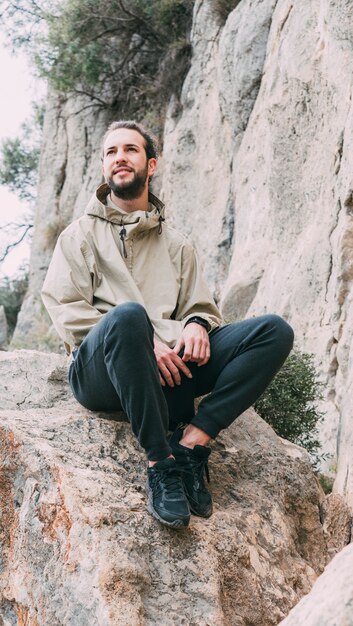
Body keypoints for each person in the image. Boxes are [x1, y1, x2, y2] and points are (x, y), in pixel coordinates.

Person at [41, 120, 294, 529]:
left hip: (168, 373)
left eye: (130, 150)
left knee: (274, 331)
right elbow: (65, 309)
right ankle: (162, 463)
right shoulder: (78, 236)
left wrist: (195, 322)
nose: (119, 158)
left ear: (151, 164)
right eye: (111, 152)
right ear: (105, 168)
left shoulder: (177, 244)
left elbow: (201, 306)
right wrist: (144, 342)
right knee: (128, 316)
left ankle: (192, 442)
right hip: (101, 375)